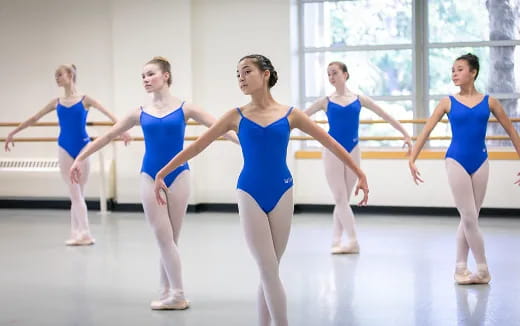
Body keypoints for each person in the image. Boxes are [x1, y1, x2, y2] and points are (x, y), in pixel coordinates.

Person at [153, 54, 369, 326]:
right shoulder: (236, 115)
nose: (241, 78)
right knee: (268, 269)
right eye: (238, 74)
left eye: (247, 72)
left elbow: (330, 142)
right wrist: (162, 172)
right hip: (250, 193)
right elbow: (197, 146)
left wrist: (359, 172)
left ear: (265, 74)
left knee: (270, 271)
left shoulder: (291, 114)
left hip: (283, 191)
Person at [70, 56, 237, 310]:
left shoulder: (186, 108)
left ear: (166, 76)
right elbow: (108, 136)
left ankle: (170, 291)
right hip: (149, 177)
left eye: (150, 74)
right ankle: (175, 293)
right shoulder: (139, 112)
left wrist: (247, 143)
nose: (146, 80)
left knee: (171, 239)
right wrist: (80, 158)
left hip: (179, 175)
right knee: (163, 237)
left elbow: (220, 128)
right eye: (143, 76)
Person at [409, 53, 520, 284]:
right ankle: (483, 269)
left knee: (470, 217)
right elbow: (426, 131)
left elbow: (511, 131)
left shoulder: (490, 102)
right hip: (456, 160)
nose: (454, 74)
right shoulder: (447, 102)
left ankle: (460, 268)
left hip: (481, 161)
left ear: (473, 72)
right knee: (469, 217)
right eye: (452, 70)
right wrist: (412, 158)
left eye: (459, 69)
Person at [4, 64, 131, 246]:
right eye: (55, 75)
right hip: (64, 148)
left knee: (78, 193)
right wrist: (13, 132)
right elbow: (34, 118)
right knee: (75, 193)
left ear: (70, 75)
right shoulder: (56, 102)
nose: (56, 78)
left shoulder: (85, 100)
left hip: (84, 148)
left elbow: (109, 114)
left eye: (59, 74)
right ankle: (81, 233)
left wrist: (123, 130)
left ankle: (80, 233)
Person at [305, 61, 412, 254]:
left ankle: (336, 240)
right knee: (340, 198)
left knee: (343, 199)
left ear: (345, 74)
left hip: (353, 150)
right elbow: (300, 117)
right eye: (328, 74)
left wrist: (404, 132)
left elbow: (385, 114)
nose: (331, 77)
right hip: (332, 152)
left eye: (335, 73)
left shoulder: (359, 99)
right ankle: (353, 241)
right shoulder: (325, 101)